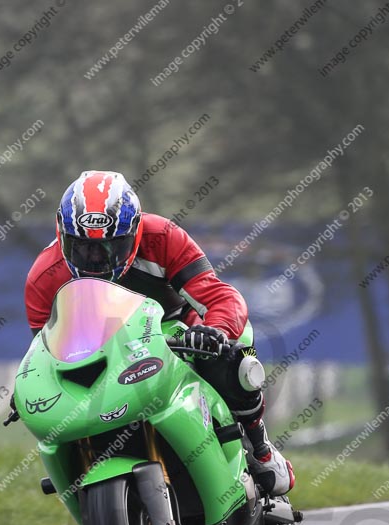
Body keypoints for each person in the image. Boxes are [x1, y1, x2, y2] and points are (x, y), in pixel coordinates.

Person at [24, 170, 295, 496]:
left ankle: (261, 448)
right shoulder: (44, 275)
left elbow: (219, 296)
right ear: (62, 236)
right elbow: (46, 347)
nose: (97, 259)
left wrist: (214, 331)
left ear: (136, 232)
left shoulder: (164, 236)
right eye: (83, 248)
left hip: (176, 328)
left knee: (234, 357)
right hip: (101, 346)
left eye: (111, 247)